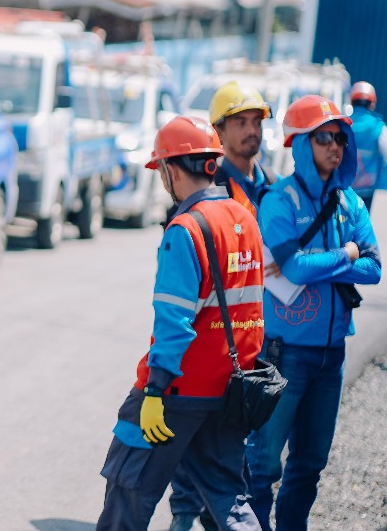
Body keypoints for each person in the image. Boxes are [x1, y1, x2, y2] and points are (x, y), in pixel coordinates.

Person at [96, 116, 265, 531]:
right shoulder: (245, 220)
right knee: (229, 500)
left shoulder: (185, 229)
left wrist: (155, 388)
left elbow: (174, 323)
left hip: (176, 390)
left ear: (171, 169)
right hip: (229, 389)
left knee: (127, 491)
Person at [246, 95, 382, 531]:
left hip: (332, 357)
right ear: (301, 143)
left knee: (310, 464)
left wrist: (320, 261)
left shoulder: (351, 204)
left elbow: (375, 269)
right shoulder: (278, 201)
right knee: (264, 464)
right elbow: (295, 266)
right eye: (323, 137)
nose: (335, 146)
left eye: (340, 137)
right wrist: (345, 251)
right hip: (285, 355)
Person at [168, 81, 275, 531]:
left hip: (251, 343)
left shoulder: (264, 186)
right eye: (240, 123)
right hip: (212, 352)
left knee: (236, 467)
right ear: (218, 132)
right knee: (203, 470)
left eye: (256, 122)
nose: (251, 131)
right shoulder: (213, 191)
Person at [348, 81, 387, 212]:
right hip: (367, 190)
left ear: (352, 101)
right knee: (361, 226)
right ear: (372, 103)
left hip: (343, 187)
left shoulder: (343, 124)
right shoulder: (379, 127)